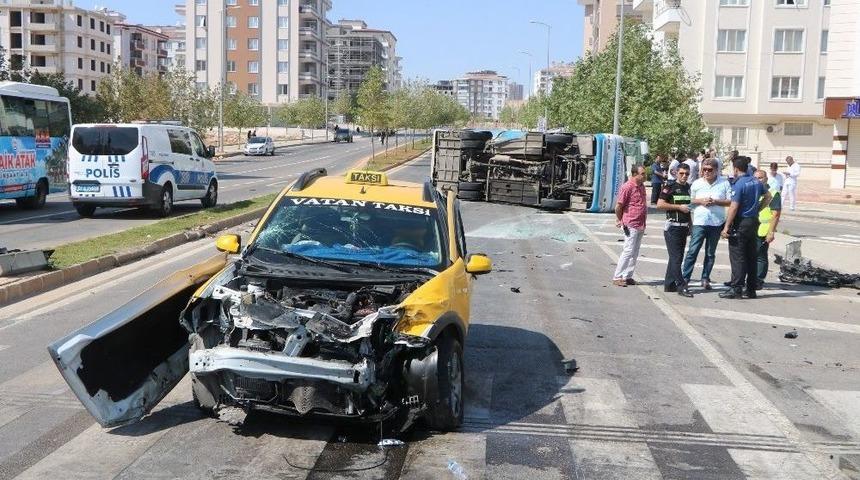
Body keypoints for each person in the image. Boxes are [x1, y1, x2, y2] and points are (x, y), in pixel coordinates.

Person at [720, 156, 771, 299]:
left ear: (735, 169)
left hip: (741, 223)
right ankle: (750, 289)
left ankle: (736, 289)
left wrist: (726, 227)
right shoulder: (755, 181)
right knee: (751, 257)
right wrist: (758, 209)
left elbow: (734, 207)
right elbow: (768, 196)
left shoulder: (739, 184)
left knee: (738, 257)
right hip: (753, 222)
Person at [681, 158, 731, 290]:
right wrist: (700, 201)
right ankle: (685, 278)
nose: (706, 172)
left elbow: (730, 202)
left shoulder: (724, 183)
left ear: (716, 170)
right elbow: (689, 200)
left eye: (710, 170)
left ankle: (705, 278)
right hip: (699, 222)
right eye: (704, 169)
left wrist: (715, 201)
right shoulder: (697, 183)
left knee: (710, 253)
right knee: (693, 251)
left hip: (716, 223)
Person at [657, 163, 694, 297]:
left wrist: (691, 225)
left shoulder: (689, 188)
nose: (684, 176)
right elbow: (660, 204)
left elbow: (688, 209)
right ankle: (681, 285)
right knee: (676, 258)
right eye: (682, 173)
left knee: (676, 257)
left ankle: (669, 284)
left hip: (684, 228)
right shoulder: (670, 187)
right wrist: (678, 207)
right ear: (676, 173)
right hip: (672, 227)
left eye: (687, 174)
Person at [612, 165, 648, 287]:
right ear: (635, 174)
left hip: (640, 223)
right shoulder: (627, 187)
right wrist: (619, 219)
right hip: (630, 223)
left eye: (644, 173)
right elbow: (619, 206)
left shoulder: (642, 186)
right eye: (642, 174)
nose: (645, 176)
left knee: (635, 251)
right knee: (628, 250)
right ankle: (617, 276)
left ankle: (627, 276)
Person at [754, 169, 782, 290]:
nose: (758, 180)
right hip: (752, 228)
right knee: (750, 255)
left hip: (764, 229)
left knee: (760, 256)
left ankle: (759, 280)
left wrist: (771, 232)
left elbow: (776, 214)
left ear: (766, 179)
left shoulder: (773, 193)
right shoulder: (755, 191)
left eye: (760, 178)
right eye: (755, 178)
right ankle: (751, 278)